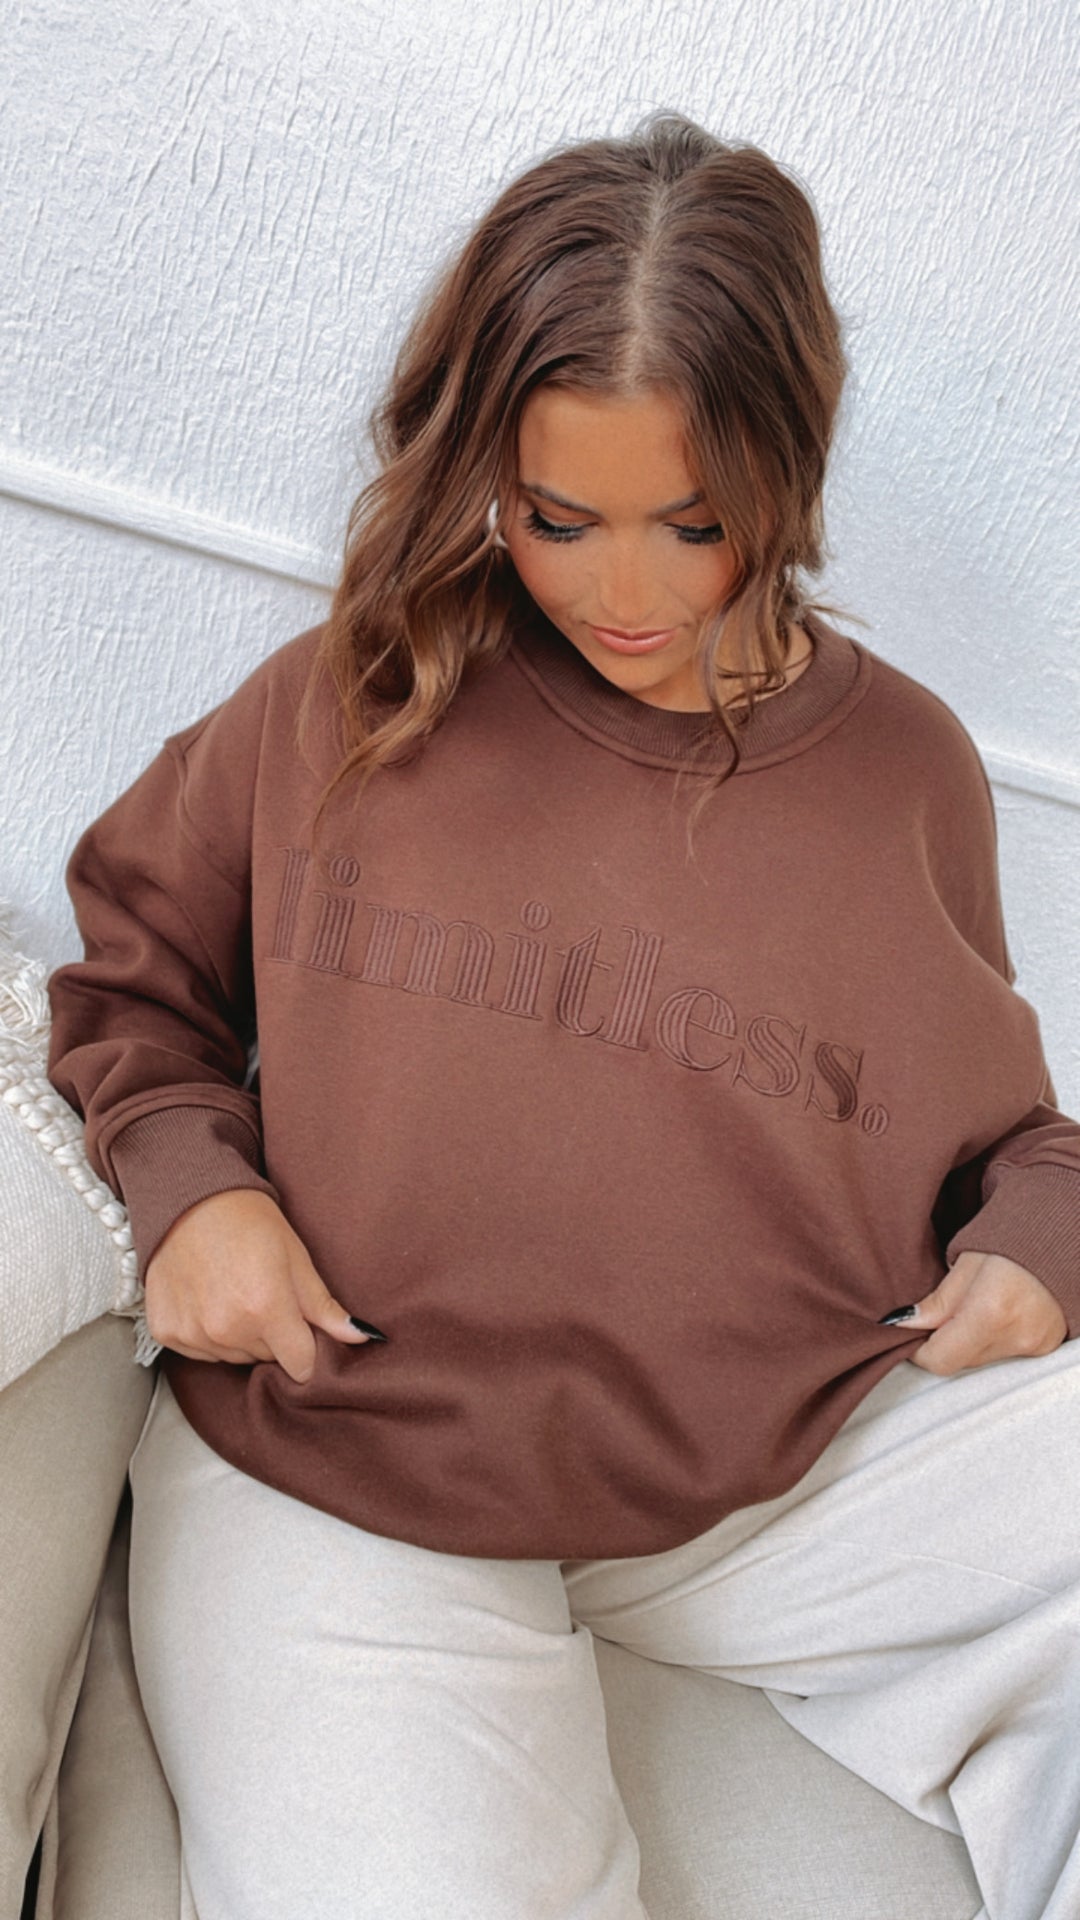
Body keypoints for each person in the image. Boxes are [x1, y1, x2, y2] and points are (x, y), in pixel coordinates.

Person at [46, 111, 1080, 1920]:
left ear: (789, 468)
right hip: (346, 1445)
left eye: (699, 525)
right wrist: (193, 1184)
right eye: (557, 519)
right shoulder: (353, 695)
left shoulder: (907, 766)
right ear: (484, 473)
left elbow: (1006, 1135)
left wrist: (1041, 1241)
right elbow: (131, 972)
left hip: (792, 1462)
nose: (624, 594)